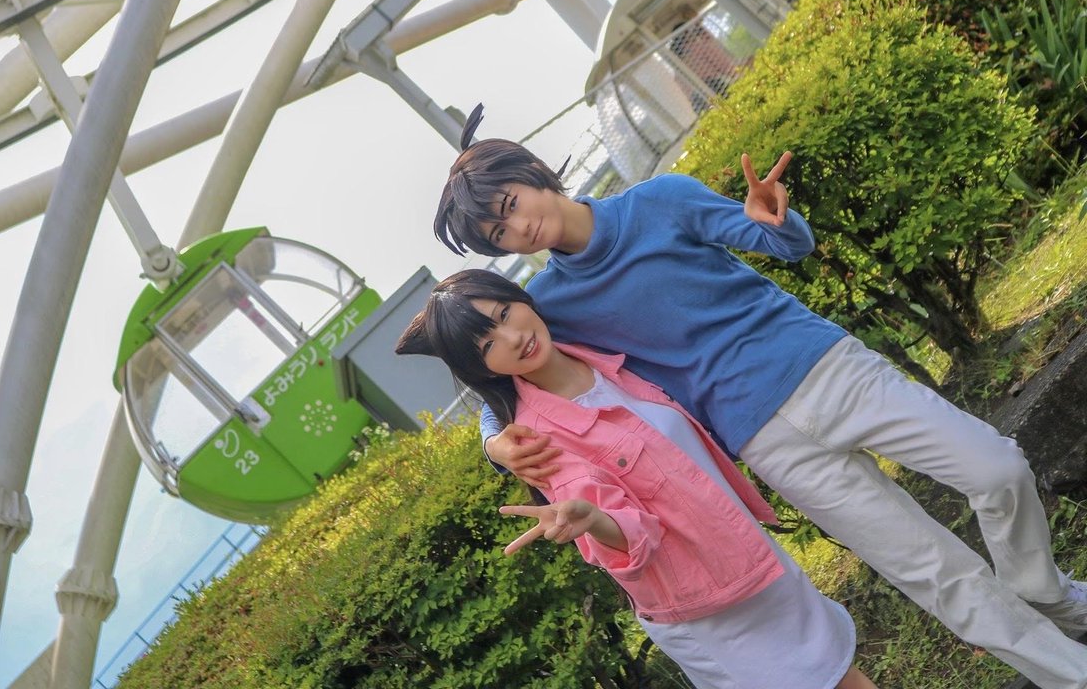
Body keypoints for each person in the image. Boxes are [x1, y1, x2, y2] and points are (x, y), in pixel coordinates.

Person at [428, 103, 1087, 689]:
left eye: (510, 204)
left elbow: (779, 239)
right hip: (762, 439)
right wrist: (493, 442)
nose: (519, 228)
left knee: (997, 468)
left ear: (534, 172)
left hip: (831, 371)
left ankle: (1043, 591)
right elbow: (498, 374)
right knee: (936, 574)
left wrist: (778, 219)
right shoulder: (547, 303)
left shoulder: (660, 200)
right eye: (498, 235)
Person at [395, 269, 878, 689]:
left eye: (504, 314)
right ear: (482, 369)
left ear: (520, 298)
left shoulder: (600, 355)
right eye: (487, 346)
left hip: (739, 548)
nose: (512, 338)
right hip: (705, 598)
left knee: (839, 671)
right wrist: (592, 520)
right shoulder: (537, 438)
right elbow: (629, 531)